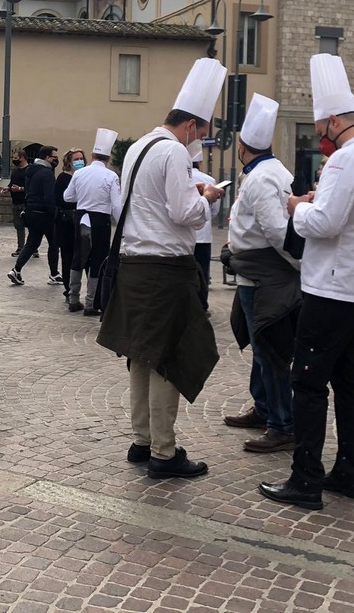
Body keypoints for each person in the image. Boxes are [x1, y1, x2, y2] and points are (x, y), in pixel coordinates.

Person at [259, 54, 354, 510]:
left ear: (334, 121)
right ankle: (349, 472)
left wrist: (296, 207)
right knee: (349, 381)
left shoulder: (345, 161)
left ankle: (305, 480)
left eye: (321, 127)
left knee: (309, 382)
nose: (319, 136)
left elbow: (323, 223)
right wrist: (317, 202)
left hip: (333, 288)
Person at [97, 58, 226, 479]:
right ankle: (164, 453)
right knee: (167, 358)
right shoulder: (173, 150)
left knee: (141, 356)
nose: (200, 143)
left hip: (135, 264)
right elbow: (183, 211)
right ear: (191, 125)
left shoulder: (139, 146)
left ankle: (142, 440)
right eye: (202, 134)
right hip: (165, 268)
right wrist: (206, 195)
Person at [222, 95, 302, 455]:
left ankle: (282, 424)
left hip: (263, 276)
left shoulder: (262, 178)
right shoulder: (272, 172)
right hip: (252, 273)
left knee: (270, 350)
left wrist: (296, 266)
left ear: (242, 147)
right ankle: (265, 407)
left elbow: (276, 231)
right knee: (262, 349)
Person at [63, 129, 121, 315]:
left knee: (78, 258)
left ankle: (73, 299)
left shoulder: (79, 174)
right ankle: (91, 304)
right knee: (98, 260)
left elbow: (67, 197)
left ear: (92, 155)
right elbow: (117, 205)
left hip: (80, 217)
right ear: (108, 158)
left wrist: (83, 198)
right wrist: (121, 226)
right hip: (100, 221)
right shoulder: (111, 176)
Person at [7, 146, 62, 286]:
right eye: (54, 157)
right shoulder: (47, 173)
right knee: (54, 243)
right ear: (48, 158)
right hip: (45, 213)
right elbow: (49, 197)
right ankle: (54, 273)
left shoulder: (31, 171)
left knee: (32, 243)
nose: (56, 159)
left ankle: (16, 270)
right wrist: (55, 213)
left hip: (31, 211)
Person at [188, 149, 221, 306]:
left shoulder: (184, 177)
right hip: (203, 235)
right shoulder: (210, 180)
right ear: (200, 163)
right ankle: (202, 304)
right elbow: (214, 209)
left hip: (185, 234)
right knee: (202, 271)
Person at [54, 148, 85, 302]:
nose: (80, 161)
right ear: (69, 162)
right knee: (68, 256)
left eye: (81, 158)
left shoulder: (84, 176)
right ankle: (69, 289)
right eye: (76, 159)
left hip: (82, 221)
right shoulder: (63, 178)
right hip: (66, 223)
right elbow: (59, 199)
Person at [6, 148, 29, 255]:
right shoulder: (15, 170)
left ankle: (33, 248)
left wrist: (20, 189)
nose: (14, 160)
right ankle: (20, 247)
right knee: (18, 226)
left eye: (16, 158)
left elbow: (31, 187)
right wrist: (8, 188)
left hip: (26, 202)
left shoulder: (29, 170)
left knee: (31, 225)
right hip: (16, 202)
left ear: (22, 158)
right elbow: (11, 183)